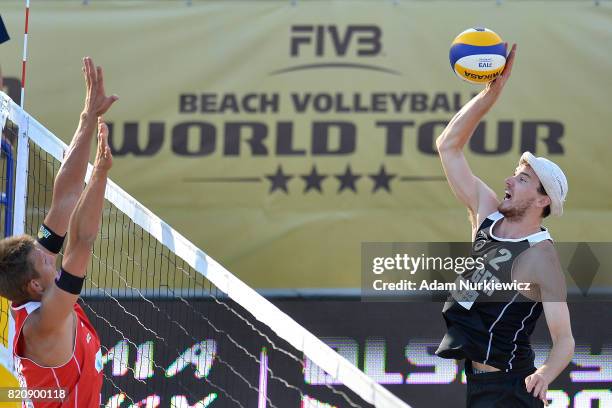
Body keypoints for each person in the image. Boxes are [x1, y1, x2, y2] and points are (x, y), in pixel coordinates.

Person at [434, 44, 574, 407]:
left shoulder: (541, 258)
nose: (510, 182)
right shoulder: (487, 215)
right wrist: (489, 94)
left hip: (510, 389)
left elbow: (565, 340)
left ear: (544, 201)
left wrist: (544, 374)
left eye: (524, 179)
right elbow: (448, 147)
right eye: (515, 175)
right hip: (476, 383)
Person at [0, 57, 117, 407]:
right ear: (35, 285)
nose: (51, 256)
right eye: (46, 261)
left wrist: (88, 117)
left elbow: (64, 198)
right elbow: (82, 242)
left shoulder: (37, 289)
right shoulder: (46, 320)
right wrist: (99, 177)